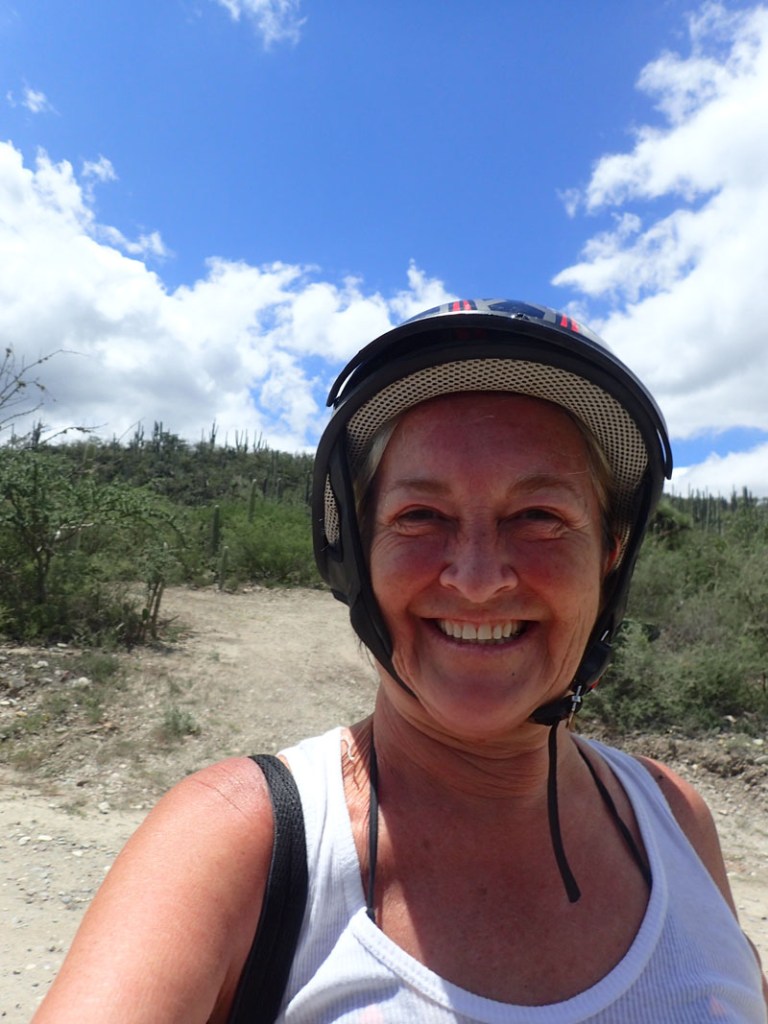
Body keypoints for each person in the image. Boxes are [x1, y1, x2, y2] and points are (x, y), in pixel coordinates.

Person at [32, 299, 767, 1023]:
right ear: (357, 557)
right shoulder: (235, 842)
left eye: (539, 517)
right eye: (420, 516)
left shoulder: (673, 814)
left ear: (610, 556)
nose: (477, 579)